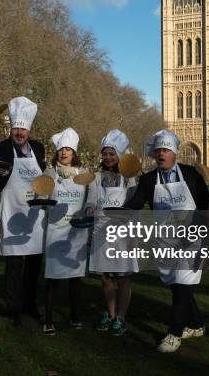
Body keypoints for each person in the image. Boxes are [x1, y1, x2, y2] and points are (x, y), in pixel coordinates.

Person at [124, 129, 209, 353]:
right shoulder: (149, 179)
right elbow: (136, 203)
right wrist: (114, 210)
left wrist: (208, 240)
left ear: (174, 153)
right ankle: (197, 324)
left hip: (191, 239)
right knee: (177, 286)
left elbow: (205, 207)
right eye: (158, 150)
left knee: (182, 283)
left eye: (166, 150)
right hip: (165, 242)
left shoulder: (191, 175)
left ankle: (174, 333)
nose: (161, 154)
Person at [0, 97, 46, 327]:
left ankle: (29, 303)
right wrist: (0, 174)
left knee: (34, 262)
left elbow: (42, 176)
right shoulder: (3, 147)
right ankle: (13, 307)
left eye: (23, 128)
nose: (19, 132)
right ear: (11, 129)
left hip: (34, 215)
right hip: (12, 209)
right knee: (14, 263)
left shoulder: (38, 148)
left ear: (29, 130)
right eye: (15, 128)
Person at [85, 129, 137, 336]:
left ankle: (121, 317)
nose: (107, 157)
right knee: (105, 276)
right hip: (101, 230)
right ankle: (110, 313)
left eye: (112, 154)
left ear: (119, 156)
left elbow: (134, 206)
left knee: (122, 277)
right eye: (105, 153)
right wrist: (89, 207)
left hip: (123, 232)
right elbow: (91, 199)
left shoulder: (129, 178)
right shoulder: (96, 177)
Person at [42, 128, 89, 335]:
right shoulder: (49, 173)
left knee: (75, 278)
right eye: (62, 150)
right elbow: (40, 199)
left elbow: (91, 198)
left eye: (68, 149)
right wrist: (48, 205)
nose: (64, 153)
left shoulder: (84, 174)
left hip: (76, 231)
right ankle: (49, 320)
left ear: (74, 153)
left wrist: (89, 207)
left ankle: (75, 316)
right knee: (53, 278)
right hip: (55, 230)